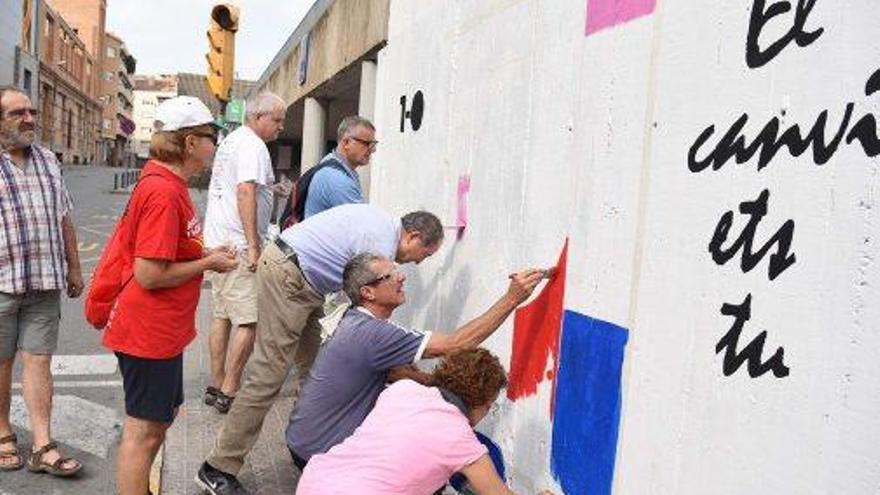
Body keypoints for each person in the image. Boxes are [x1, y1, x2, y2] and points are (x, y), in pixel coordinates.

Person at [197, 204, 444, 495]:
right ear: (413, 237)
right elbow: (369, 318)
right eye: (424, 255)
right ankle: (217, 468)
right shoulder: (379, 246)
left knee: (318, 368)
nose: (418, 264)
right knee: (267, 377)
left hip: (303, 281)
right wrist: (405, 365)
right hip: (289, 277)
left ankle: (307, 448)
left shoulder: (381, 225)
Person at [284, 253, 545, 467]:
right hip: (320, 452)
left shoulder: (355, 321)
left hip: (304, 439)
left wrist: (433, 382)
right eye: (390, 276)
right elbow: (458, 344)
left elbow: (393, 372)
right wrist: (512, 298)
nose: (401, 277)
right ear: (368, 292)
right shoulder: (373, 333)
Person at [101, 96, 238, 495]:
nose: (216, 144)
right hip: (148, 331)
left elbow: (166, 253)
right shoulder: (163, 192)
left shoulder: (167, 184)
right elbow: (148, 273)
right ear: (190, 142)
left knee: (160, 419)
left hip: (161, 332)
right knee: (143, 432)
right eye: (213, 136)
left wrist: (205, 254)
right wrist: (207, 265)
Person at [295, 348, 554, 495]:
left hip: (316, 481)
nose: (487, 413)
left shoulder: (402, 390)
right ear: (480, 401)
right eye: (490, 407)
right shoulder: (460, 440)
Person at [0, 86, 84, 477]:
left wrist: (74, 266)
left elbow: (64, 215)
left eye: (32, 111)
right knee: (1, 363)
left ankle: (42, 445)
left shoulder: (49, 160)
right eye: (18, 113)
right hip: (2, 283)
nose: (29, 119)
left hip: (45, 282)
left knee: (39, 361)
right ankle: (2, 433)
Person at [203, 92, 286, 414]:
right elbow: (245, 191)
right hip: (239, 245)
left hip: (218, 241)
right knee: (249, 321)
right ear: (257, 117)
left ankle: (217, 381)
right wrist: (254, 246)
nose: (281, 127)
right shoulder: (253, 145)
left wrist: (271, 189)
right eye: (277, 120)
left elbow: (248, 186)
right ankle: (230, 389)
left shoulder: (233, 141)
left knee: (222, 315)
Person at [278, 115, 376, 227]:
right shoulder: (336, 178)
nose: (373, 150)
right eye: (367, 144)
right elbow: (360, 226)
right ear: (346, 143)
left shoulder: (331, 163)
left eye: (373, 144)